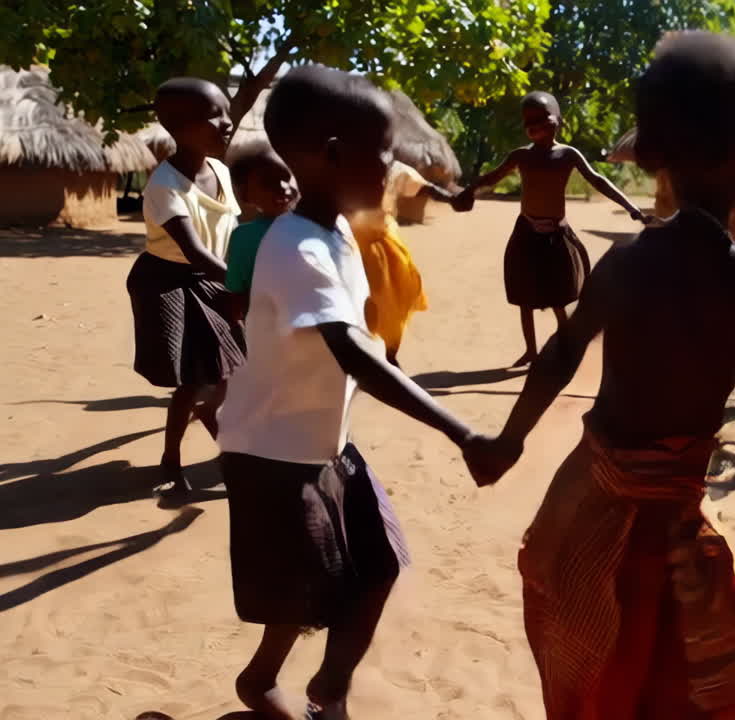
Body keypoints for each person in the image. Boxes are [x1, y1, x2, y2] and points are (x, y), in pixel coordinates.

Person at [464, 31, 735, 719]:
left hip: (585, 502)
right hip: (661, 529)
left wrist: (509, 440)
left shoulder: (622, 265)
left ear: (647, 154)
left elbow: (560, 356)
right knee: (669, 675)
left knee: (596, 659)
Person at [216, 65, 478, 720]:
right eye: (384, 151)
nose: (393, 166)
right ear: (333, 153)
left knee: (377, 565)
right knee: (308, 592)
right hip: (275, 456)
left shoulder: (335, 232)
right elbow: (354, 352)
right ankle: (275, 685)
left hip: (323, 443)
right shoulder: (296, 246)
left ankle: (323, 690)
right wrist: (462, 430)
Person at [454, 91, 655, 367]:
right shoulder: (521, 156)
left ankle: (565, 345)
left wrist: (632, 208)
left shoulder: (567, 155)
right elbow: (492, 176)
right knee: (524, 296)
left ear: (559, 120)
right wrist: (469, 191)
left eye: (541, 118)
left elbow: (598, 181)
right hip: (526, 232)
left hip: (556, 235)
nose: (534, 125)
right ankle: (531, 352)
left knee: (559, 296)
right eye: (529, 121)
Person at [127, 77, 244, 494]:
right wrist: (245, 284)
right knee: (192, 380)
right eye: (213, 117)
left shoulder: (222, 172)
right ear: (178, 127)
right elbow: (194, 252)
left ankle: (220, 432)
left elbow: (231, 232)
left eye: (227, 114)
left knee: (231, 370)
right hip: (168, 283)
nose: (226, 124)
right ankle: (171, 459)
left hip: (212, 278)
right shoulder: (164, 186)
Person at [348, 158, 460, 366]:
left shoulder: (391, 166)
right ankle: (363, 355)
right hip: (349, 242)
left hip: (384, 240)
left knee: (394, 298)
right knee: (357, 300)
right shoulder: (339, 162)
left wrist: (451, 198)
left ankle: (389, 354)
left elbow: (421, 187)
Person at [225, 142, 297, 319]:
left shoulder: (316, 225)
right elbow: (236, 295)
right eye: (268, 183)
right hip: (268, 332)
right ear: (246, 195)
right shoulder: (243, 238)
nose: (282, 186)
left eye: (285, 176)